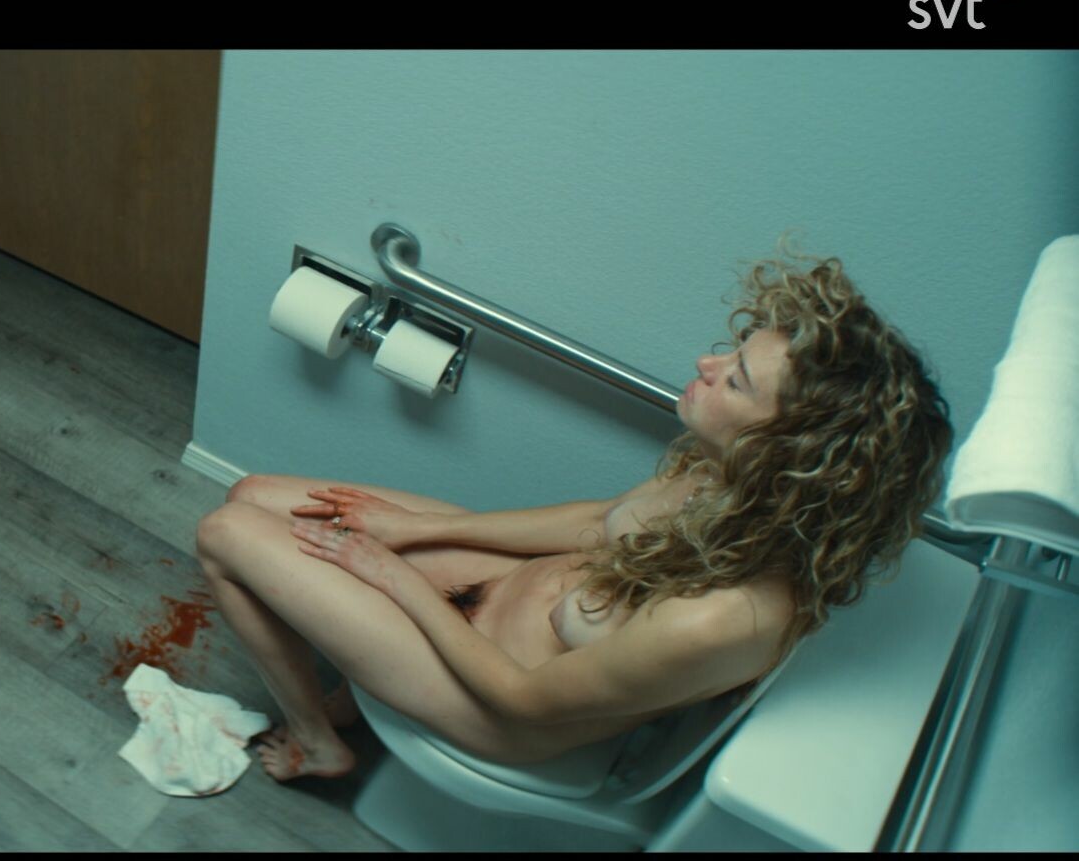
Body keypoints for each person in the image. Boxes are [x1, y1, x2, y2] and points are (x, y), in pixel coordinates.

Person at [193, 242, 955, 780]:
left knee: (225, 535)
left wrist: (393, 576)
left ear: (784, 452)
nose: (707, 363)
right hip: (500, 593)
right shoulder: (724, 476)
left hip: (493, 700)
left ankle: (319, 740)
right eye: (734, 351)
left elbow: (524, 702)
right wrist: (423, 531)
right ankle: (347, 704)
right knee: (251, 495)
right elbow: (599, 521)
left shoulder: (726, 617)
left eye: (737, 380)